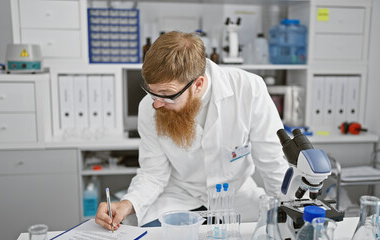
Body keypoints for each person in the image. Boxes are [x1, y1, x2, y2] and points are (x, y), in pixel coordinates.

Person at [95, 31, 288, 230]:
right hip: (180, 196)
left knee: (268, 231)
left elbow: (273, 163)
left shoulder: (248, 89)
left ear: (198, 84)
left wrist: (292, 211)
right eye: (152, 92)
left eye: (167, 95)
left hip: (235, 195)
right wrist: (127, 204)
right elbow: (153, 173)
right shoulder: (150, 106)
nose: (157, 104)